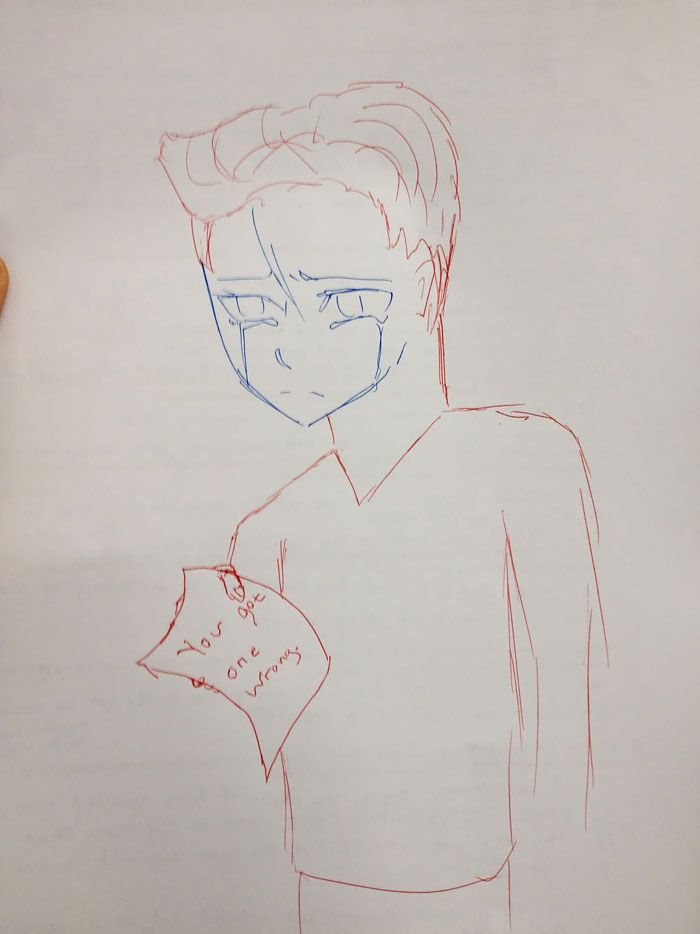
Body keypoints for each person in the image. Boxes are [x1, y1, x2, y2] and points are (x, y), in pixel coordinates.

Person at [158, 81, 607, 933]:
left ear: (426, 281)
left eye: (339, 301)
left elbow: (576, 747)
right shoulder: (268, 533)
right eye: (247, 309)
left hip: (496, 903)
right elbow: (253, 779)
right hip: (316, 901)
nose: (286, 345)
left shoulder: (526, 467)